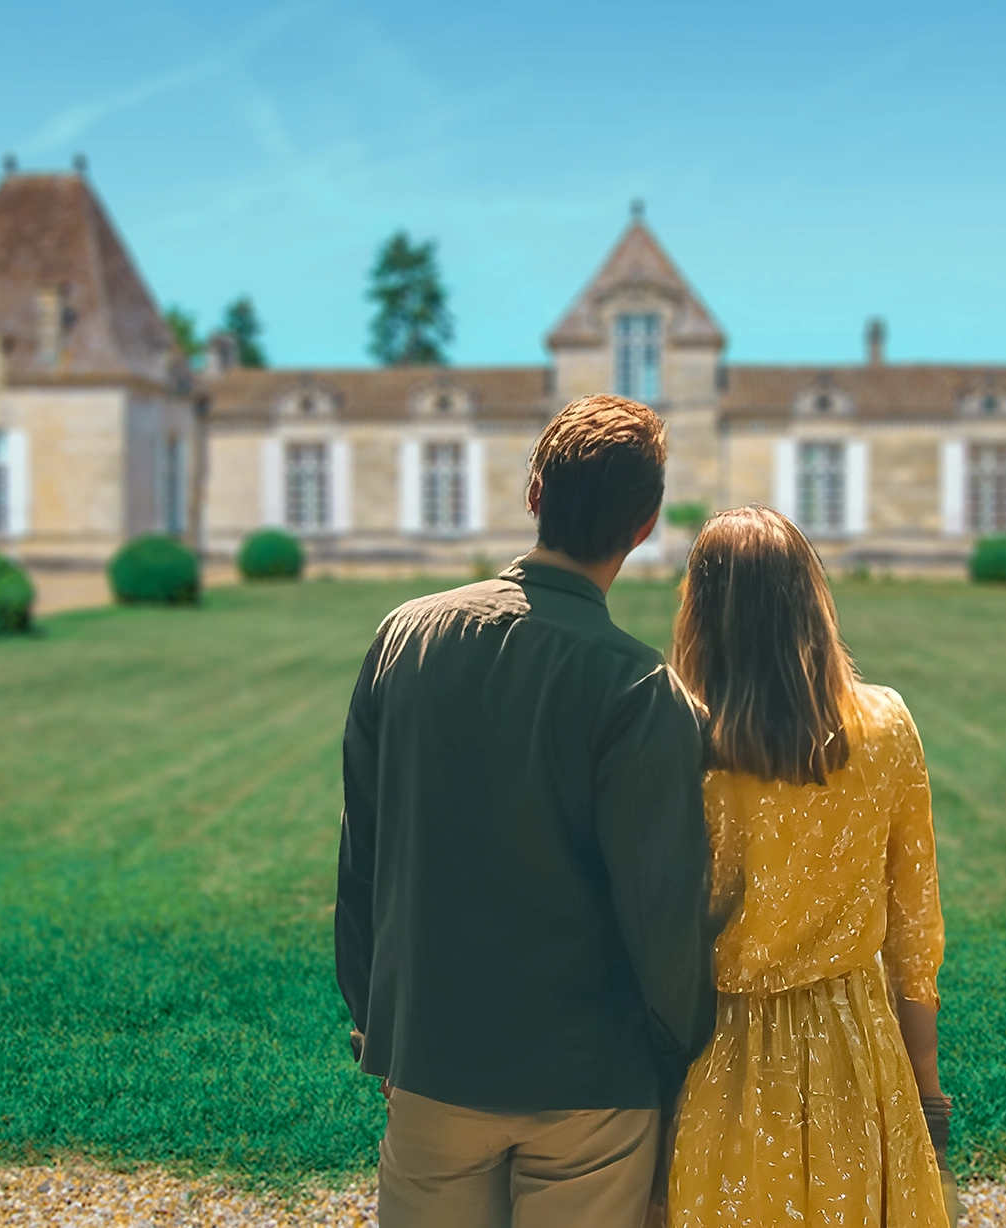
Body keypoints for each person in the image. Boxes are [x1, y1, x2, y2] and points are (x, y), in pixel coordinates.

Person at [336, 394, 715, 1228]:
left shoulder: (403, 638)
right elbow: (663, 918)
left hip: (432, 1061)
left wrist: (376, 1026)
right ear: (646, 525)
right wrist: (680, 1055)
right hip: (590, 1084)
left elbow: (362, 857)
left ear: (534, 492)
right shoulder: (639, 689)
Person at [664, 505, 957, 1227]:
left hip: (715, 1054)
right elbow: (914, 927)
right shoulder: (885, 726)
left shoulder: (677, 738)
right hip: (854, 1045)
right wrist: (926, 1086)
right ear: (810, 600)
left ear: (701, 611)